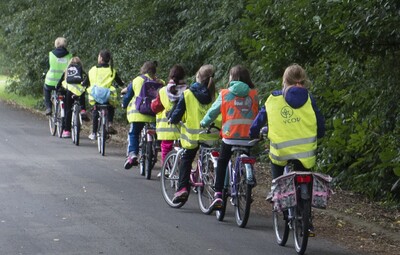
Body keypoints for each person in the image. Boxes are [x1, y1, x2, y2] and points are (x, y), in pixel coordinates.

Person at [249, 63, 325, 191]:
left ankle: (277, 193)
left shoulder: (273, 99)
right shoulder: (309, 98)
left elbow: (260, 119)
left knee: (277, 178)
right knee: (305, 174)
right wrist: (320, 133)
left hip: (281, 153)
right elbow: (319, 120)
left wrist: (253, 133)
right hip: (305, 153)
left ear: (285, 80)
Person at [200, 65, 259, 210]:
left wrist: (204, 123)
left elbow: (213, 112)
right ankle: (246, 181)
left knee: (223, 161)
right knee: (246, 155)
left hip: (230, 136)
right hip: (248, 137)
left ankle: (218, 193)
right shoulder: (254, 94)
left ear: (231, 78)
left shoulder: (225, 94)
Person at [169, 64, 220, 204]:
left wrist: (172, 119)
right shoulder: (215, 93)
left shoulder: (188, 93)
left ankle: (182, 189)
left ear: (198, 76)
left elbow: (178, 112)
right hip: (210, 133)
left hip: (193, 136)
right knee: (207, 154)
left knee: (186, 159)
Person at [122, 61, 165, 169]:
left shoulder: (137, 80)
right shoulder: (161, 82)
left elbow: (128, 95)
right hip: (154, 114)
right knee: (156, 130)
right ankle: (156, 144)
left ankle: (133, 154)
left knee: (134, 133)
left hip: (138, 114)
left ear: (143, 69)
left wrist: (124, 104)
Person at [150, 64, 187, 169]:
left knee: (165, 148)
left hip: (168, 128)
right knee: (183, 151)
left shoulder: (163, 91)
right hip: (183, 128)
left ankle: (165, 169)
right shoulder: (188, 91)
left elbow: (156, 107)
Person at [86, 50, 124, 140]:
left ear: (101, 58)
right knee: (111, 106)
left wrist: (83, 84)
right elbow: (119, 82)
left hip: (96, 96)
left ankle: (94, 133)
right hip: (107, 96)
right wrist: (124, 88)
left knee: (95, 111)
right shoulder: (112, 70)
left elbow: (86, 82)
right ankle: (110, 123)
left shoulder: (93, 70)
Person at [56, 57, 89, 138]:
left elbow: (59, 84)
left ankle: (67, 131)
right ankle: (83, 110)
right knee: (82, 93)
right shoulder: (81, 71)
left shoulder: (67, 71)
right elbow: (88, 80)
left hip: (69, 91)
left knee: (68, 110)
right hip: (79, 92)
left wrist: (57, 89)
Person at [43, 37, 72, 116]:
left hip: (51, 82)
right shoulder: (69, 56)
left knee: (46, 89)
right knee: (66, 96)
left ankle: (48, 107)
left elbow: (49, 66)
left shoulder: (51, 54)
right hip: (64, 83)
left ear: (56, 44)